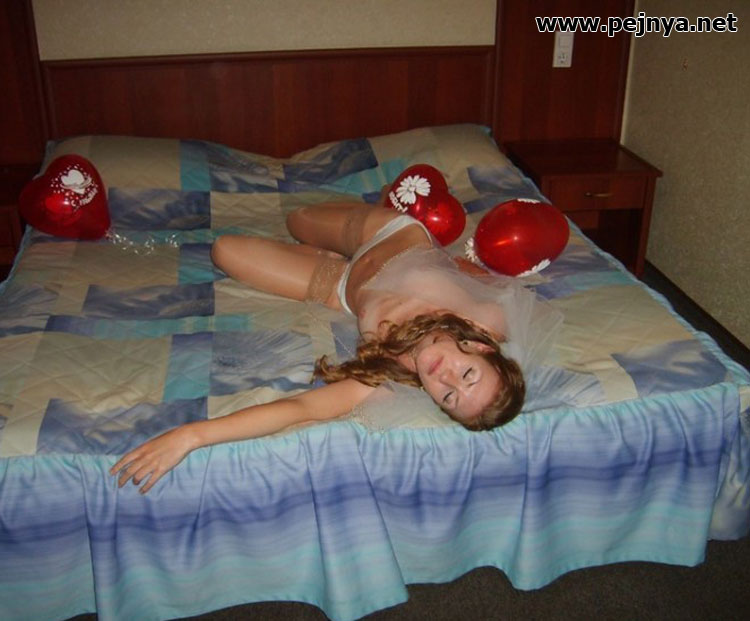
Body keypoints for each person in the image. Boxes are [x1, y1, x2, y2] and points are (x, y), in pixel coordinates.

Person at [112, 193, 559, 493]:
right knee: (296, 219)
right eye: (468, 375)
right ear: (481, 349)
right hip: (390, 236)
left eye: (449, 397)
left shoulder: (393, 378)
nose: (446, 378)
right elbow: (510, 290)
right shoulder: (485, 320)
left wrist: (191, 435)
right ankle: (363, 216)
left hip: (343, 287)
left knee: (225, 250)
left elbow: (300, 408)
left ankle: (325, 259)